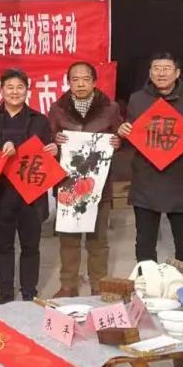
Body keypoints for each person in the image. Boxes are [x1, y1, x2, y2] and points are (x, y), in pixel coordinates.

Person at [0, 69, 56, 305]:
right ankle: (4, 291)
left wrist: (55, 150)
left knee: (30, 246)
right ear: (2, 90)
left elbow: (46, 153)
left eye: (20, 87)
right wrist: (1, 146)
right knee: (3, 246)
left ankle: (29, 291)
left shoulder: (39, 120)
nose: (15, 92)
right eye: (10, 87)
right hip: (1, 193)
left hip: (30, 195)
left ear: (27, 90)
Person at [117, 53, 183, 265]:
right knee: (144, 242)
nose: (161, 73)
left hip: (182, 180)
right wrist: (123, 132)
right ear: (150, 73)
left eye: (166, 68)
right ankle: (146, 281)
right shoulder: (137, 99)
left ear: (177, 73)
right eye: (156, 68)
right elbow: (133, 136)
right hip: (146, 178)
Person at [48, 62, 123, 298]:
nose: (80, 84)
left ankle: (98, 285)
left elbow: (120, 136)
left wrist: (118, 142)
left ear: (94, 82)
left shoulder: (110, 108)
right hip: (68, 183)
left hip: (99, 184)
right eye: (75, 79)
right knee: (68, 238)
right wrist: (55, 141)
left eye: (85, 79)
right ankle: (68, 285)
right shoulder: (57, 109)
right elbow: (48, 140)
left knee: (98, 240)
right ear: (68, 82)